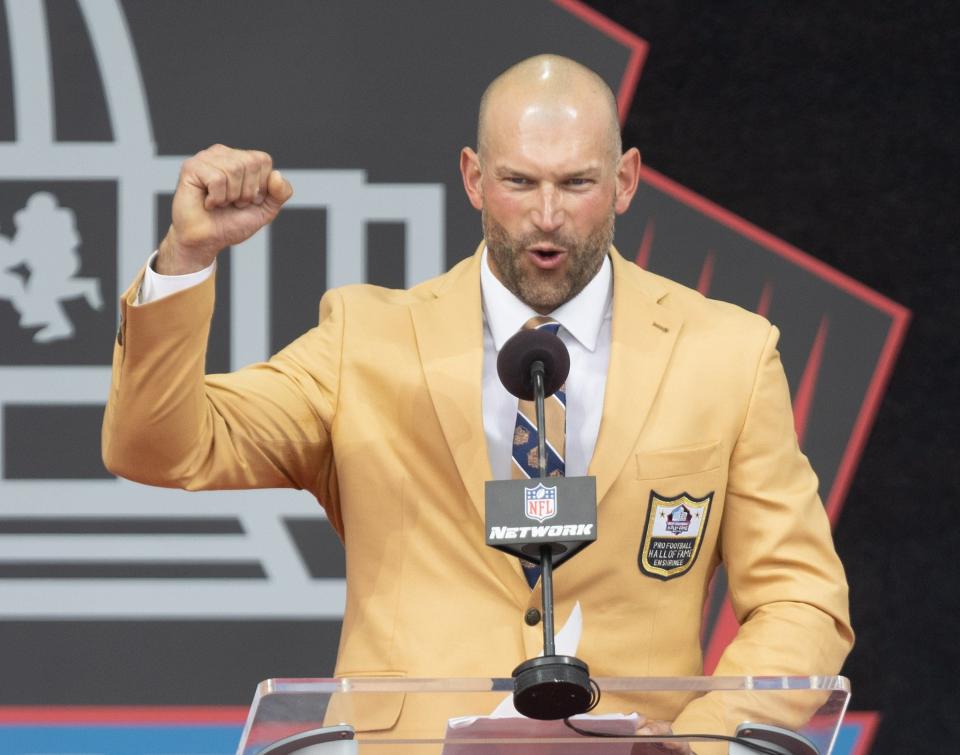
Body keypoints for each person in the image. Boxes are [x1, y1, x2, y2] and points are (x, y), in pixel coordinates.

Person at [102, 55, 852, 748]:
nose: (548, 215)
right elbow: (160, 447)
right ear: (472, 178)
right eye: (520, 182)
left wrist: (700, 738)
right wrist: (186, 260)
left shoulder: (726, 353)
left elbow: (803, 602)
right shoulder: (367, 340)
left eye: (577, 183)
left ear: (625, 180)